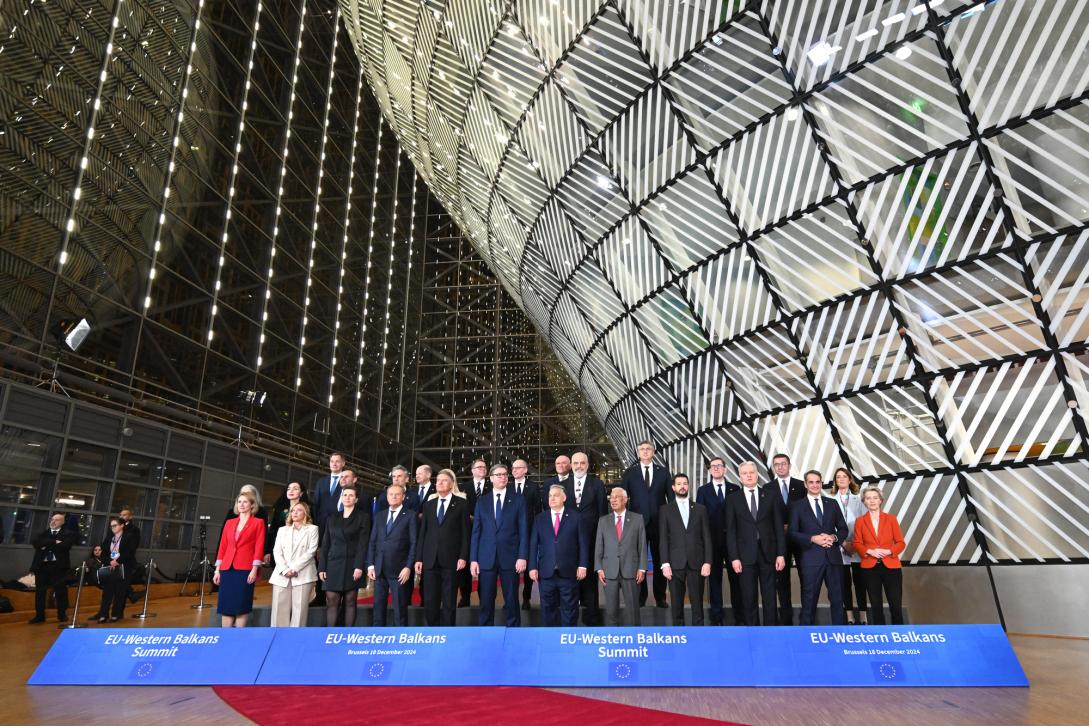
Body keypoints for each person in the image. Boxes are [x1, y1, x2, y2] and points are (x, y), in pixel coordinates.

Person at [726, 461, 785, 626]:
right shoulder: (732, 499)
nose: (749, 475)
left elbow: (778, 528)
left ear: (757, 474)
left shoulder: (770, 495)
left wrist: (781, 553)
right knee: (748, 596)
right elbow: (731, 531)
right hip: (744, 556)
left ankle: (771, 630)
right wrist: (734, 558)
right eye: (745, 473)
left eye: (751, 472)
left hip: (769, 553)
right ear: (740, 476)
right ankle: (752, 631)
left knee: (770, 595)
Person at [470, 464, 528, 626]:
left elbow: (523, 530)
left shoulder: (518, 500)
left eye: (505, 474)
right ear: (491, 478)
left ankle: (514, 631)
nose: (503, 477)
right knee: (486, 599)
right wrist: (473, 559)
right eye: (499, 475)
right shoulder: (482, 501)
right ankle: (486, 631)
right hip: (486, 558)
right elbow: (476, 532)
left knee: (511, 598)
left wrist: (522, 556)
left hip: (510, 558)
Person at [790, 470, 848, 625]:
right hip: (811, 559)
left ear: (821, 483)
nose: (815, 485)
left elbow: (843, 529)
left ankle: (840, 634)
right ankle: (805, 635)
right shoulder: (797, 506)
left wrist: (833, 537)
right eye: (811, 482)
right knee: (809, 599)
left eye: (818, 482)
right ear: (805, 484)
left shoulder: (832, 503)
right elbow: (792, 533)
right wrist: (812, 538)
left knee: (837, 598)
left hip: (833, 558)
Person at [619, 440, 671, 608]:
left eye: (648, 449)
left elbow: (671, 499)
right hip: (636, 524)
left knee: (660, 560)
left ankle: (660, 597)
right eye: (642, 449)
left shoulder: (663, 472)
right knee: (637, 560)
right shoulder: (629, 473)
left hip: (659, 523)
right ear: (638, 452)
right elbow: (622, 499)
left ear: (654, 452)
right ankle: (640, 596)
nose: (645, 451)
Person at [415, 469, 470, 626]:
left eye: (444, 480)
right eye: (438, 480)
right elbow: (423, 534)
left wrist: (463, 556)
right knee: (431, 599)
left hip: (452, 559)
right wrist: (419, 558)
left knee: (449, 599)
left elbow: (466, 534)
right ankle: (432, 631)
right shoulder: (428, 505)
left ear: (452, 484)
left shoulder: (461, 504)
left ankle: (447, 632)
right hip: (430, 559)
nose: (439, 482)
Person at [529, 484, 587, 627]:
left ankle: (568, 641)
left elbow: (583, 544)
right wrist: (532, 567)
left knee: (570, 610)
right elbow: (533, 545)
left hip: (569, 572)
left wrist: (583, 565)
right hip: (546, 573)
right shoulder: (540, 518)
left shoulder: (576, 517)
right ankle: (550, 641)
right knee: (547, 609)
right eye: (550, 496)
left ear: (564, 498)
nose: (552, 498)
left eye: (556, 495)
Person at [659, 474, 712, 626]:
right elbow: (663, 539)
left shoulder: (700, 509)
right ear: (673, 487)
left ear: (688, 486)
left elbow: (706, 538)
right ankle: (679, 635)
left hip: (697, 562)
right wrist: (665, 564)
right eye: (679, 484)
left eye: (685, 483)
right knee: (676, 604)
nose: (682, 486)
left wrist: (708, 562)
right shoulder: (665, 510)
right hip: (674, 564)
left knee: (698, 604)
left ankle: (699, 635)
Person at [695, 457, 740, 625]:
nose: (716, 468)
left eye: (719, 466)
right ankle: (716, 616)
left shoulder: (735, 489)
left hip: (733, 542)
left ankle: (739, 615)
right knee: (714, 581)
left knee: (736, 580)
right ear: (709, 470)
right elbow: (699, 517)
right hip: (712, 543)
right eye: (713, 466)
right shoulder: (703, 491)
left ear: (725, 469)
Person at [853, 487, 906, 625]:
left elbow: (901, 543)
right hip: (870, 568)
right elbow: (857, 543)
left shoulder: (891, 519)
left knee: (895, 605)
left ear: (880, 500)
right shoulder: (860, 521)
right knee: (876, 605)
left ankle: (899, 635)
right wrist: (870, 551)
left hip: (891, 566)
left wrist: (889, 551)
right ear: (864, 502)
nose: (872, 501)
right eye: (868, 498)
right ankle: (880, 637)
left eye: (875, 498)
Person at [564, 451, 606, 625]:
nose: (579, 466)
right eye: (576, 463)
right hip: (569, 542)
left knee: (589, 582)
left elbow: (603, 513)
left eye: (582, 463)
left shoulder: (597, 484)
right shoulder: (563, 485)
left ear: (588, 465)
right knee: (570, 582)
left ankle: (592, 621)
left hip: (591, 540)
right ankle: (570, 621)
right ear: (571, 465)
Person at [319, 485, 370, 626]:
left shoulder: (363, 517)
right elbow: (325, 544)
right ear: (341, 498)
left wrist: (359, 566)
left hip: (352, 564)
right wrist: (322, 567)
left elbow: (363, 544)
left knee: (350, 601)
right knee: (331, 600)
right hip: (333, 564)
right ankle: (331, 635)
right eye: (345, 495)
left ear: (356, 499)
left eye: (351, 495)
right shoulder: (332, 518)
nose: (347, 498)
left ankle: (347, 635)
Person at [213, 492, 265, 627]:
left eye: (245, 502)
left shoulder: (258, 522)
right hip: (227, 569)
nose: (241, 504)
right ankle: (226, 638)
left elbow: (259, 548)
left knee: (241, 606)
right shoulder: (230, 523)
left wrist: (254, 570)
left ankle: (238, 639)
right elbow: (222, 547)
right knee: (226, 606)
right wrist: (217, 570)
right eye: (239, 501)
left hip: (245, 570)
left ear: (252, 504)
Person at [368, 482, 417, 626]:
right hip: (379, 569)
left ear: (403, 497)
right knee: (378, 607)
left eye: (397, 494)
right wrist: (370, 565)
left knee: (400, 609)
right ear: (387, 497)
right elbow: (373, 542)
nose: (394, 497)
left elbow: (414, 543)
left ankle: (400, 639)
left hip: (400, 570)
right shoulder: (379, 516)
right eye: (391, 494)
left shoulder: (410, 516)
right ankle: (379, 636)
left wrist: (408, 567)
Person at [595, 487, 646, 626]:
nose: (613, 499)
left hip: (631, 569)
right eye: (611, 497)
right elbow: (599, 546)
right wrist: (599, 568)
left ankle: (635, 637)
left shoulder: (637, 519)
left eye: (617, 497)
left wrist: (642, 568)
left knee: (633, 609)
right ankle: (613, 637)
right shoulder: (603, 521)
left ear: (625, 499)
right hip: (609, 570)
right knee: (611, 609)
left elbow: (641, 545)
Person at [269, 502, 319, 627]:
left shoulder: (313, 529)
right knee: (278, 611)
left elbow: (311, 551)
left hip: (303, 573)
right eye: (293, 510)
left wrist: (294, 568)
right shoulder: (282, 530)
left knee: (299, 612)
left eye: (299, 510)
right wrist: (285, 569)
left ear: (305, 513)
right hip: (282, 574)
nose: (295, 513)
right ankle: (277, 639)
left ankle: (295, 641)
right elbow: (277, 551)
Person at [769, 453, 806, 625]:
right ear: (773, 467)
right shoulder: (768, 488)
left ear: (789, 466)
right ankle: (786, 618)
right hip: (778, 541)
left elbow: (807, 511)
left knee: (806, 577)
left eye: (783, 464)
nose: (780, 467)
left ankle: (807, 615)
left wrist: (792, 525)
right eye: (777, 464)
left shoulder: (802, 486)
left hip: (800, 538)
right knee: (781, 580)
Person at [830, 468, 867, 624]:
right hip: (839, 545)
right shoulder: (829, 499)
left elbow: (865, 522)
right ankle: (850, 616)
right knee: (844, 583)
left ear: (850, 479)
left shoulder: (859, 499)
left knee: (860, 583)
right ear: (835, 481)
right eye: (838, 477)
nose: (841, 479)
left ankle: (863, 615)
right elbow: (828, 524)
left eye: (844, 476)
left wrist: (854, 544)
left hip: (857, 545)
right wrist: (843, 543)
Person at [29, 513, 75, 624]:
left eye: (57, 520)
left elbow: (65, 546)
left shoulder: (68, 534)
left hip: (58, 567)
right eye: (52, 519)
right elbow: (35, 543)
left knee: (60, 591)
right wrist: (54, 542)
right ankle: (39, 616)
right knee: (40, 592)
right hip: (42, 566)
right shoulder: (43, 533)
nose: (53, 521)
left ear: (62, 522)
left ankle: (61, 614)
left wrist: (45, 545)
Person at [94, 515, 139, 623]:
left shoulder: (129, 536)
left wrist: (117, 561)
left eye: (115, 525)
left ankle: (116, 614)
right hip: (110, 567)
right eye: (111, 526)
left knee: (120, 592)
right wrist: (110, 561)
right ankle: (103, 615)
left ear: (122, 525)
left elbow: (130, 552)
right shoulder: (109, 538)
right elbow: (103, 553)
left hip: (124, 567)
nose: (113, 528)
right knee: (107, 593)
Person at [510, 458, 539, 609]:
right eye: (513, 468)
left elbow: (537, 510)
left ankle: (526, 598)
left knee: (527, 566)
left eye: (518, 468)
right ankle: (511, 600)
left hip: (528, 532)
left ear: (525, 470)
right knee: (510, 569)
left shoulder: (533, 487)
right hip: (510, 534)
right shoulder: (507, 487)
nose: (514, 470)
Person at [460, 458, 489, 607]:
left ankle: (483, 598)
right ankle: (465, 597)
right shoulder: (463, 487)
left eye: (484, 467)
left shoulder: (491, 487)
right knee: (465, 566)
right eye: (479, 467)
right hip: (467, 530)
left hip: (487, 532)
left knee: (484, 566)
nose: (482, 469)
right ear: (472, 470)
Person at [266, 482, 309, 567]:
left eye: (295, 489)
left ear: (301, 493)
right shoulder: (279, 509)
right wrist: (267, 551)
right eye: (289, 489)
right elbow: (272, 531)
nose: (291, 491)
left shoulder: (307, 509)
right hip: (279, 550)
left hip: (299, 552)